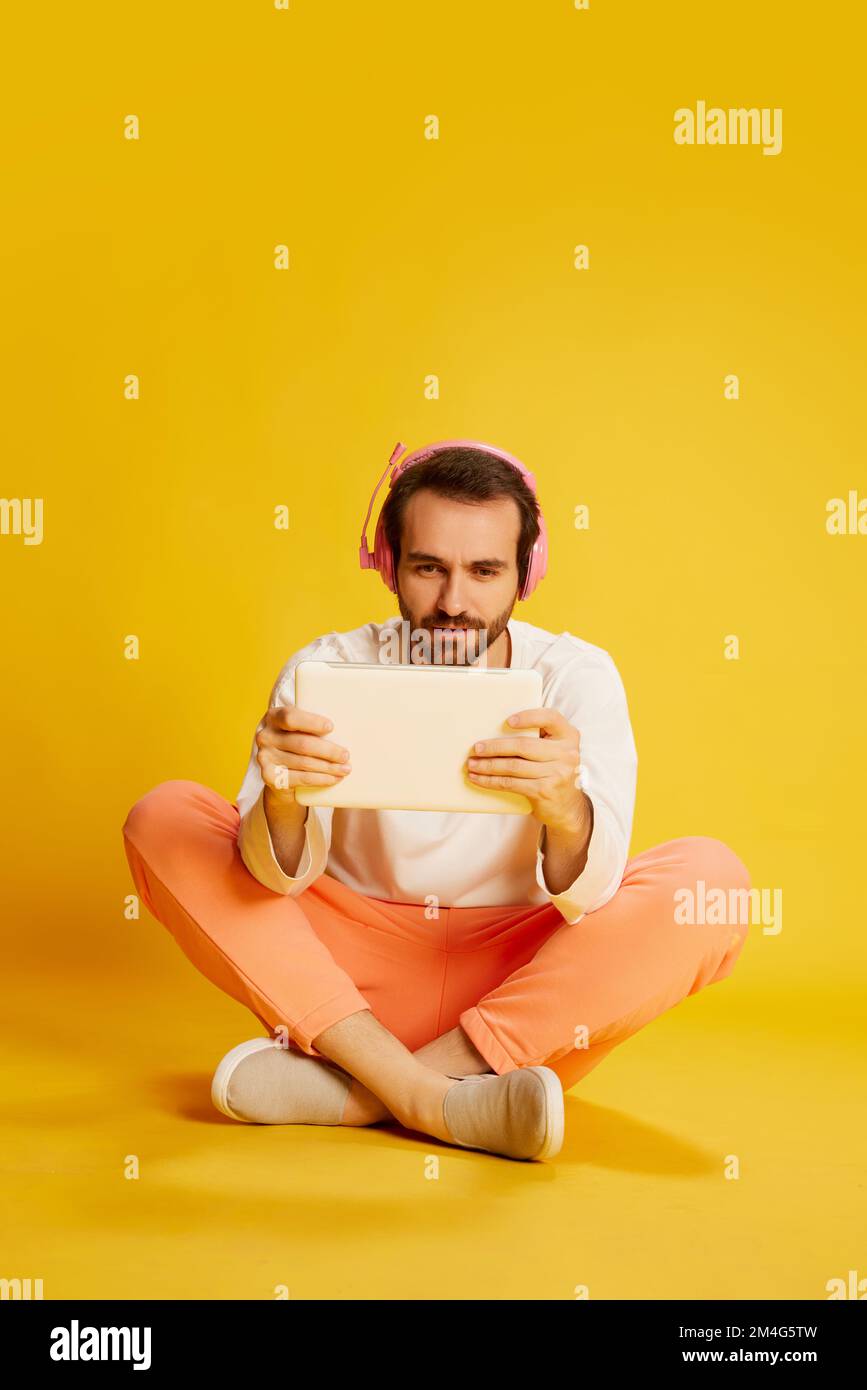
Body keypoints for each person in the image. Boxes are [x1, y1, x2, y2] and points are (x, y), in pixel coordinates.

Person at [122, 439, 751, 1162]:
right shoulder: (326, 668)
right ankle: (442, 1101)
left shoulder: (578, 675)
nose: (454, 602)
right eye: (429, 568)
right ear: (390, 565)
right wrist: (284, 800)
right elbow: (271, 882)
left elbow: (596, 893)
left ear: (527, 572)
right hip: (343, 985)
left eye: (484, 571)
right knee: (165, 817)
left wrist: (564, 810)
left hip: (517, 996)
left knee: (714, 882)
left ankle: (363, 1092)